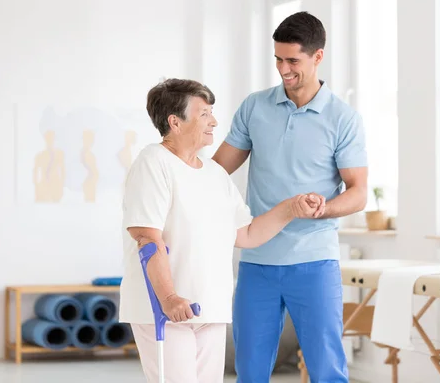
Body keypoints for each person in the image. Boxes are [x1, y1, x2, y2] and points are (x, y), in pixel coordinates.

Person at [119, 78, 326, 383]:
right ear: (175, 122)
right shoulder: (154, 162)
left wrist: (291, 208)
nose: (214, 121)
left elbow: (246, 234)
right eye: (204, 114)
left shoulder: (214, 174)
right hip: (167, 309)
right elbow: (147, 237)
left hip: (210, 308)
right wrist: (170, 297)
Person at [212, 11, 368, 382]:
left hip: (314, 260)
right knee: (249, 369)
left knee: (326, 368)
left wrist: (324, 209)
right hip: (258, 260)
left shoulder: (342, 118)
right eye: (278, 59)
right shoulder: (255, 107)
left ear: (318, 56)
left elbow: (358, 192)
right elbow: (216, 172)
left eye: (293, 60)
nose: (284, 69)